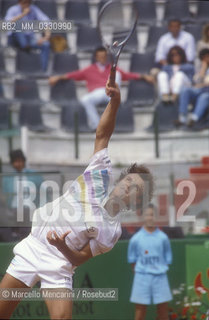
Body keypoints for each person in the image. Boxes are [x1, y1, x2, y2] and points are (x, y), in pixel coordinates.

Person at [0, 80, 154, 320]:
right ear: (121, 180)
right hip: (33, 247)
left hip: (59, 263)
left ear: (137, 201)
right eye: (129, 181)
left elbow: (81, 258)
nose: (128, 187)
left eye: (136, 189)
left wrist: (62, 246)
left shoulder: (111, 231)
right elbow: (102, 135)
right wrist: (115, 101)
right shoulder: (100, 176)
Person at [49, 46, 154, 130]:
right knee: (85, 100)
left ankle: (113, 95)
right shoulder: (89, 69)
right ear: (96, 57)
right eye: (100, 56)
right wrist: (58, 77)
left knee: (116, 73)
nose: (102, 58)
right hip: (97, 93)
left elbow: (127, 75)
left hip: (111, 91)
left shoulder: (113, 68)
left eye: (104, 56)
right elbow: (73, 75)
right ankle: (98, 126)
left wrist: (144, 76)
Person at [127, 204, 172, 320]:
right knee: (140, 312)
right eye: (147, 215)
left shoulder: (163, 238)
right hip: (142, 278)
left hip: (160, 277)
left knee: (163, 312)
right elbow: (132, 261)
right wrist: (142, 272)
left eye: (152, 215)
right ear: (142, 217)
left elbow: (167, 259)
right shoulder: (135, 239)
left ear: (156, 217)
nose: (150, 218)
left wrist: (158, 269)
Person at [1, 149, 43, 240]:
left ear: (24, 161)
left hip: (28, 208)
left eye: (20, 161)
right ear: (12, 163)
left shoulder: (34, 175)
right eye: (15, 162)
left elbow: (43, 191)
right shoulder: (8, 177)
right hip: (13, 209)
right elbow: (5, 194)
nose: (18, 164)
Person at [5, 0, 51, 71]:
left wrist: (46, 37)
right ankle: (25, 46)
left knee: (46, 44)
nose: (27, 5)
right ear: (19, 2)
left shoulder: (33, 9)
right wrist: (23, 14)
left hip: (29, 39)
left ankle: (42, 71)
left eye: (28, 3)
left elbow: (46, 21)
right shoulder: (13, 9)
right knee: (18, 25)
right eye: (24, 3)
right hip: (14, 39)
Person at [174, 48, 209, 128]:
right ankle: (182, 118)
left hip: (207, 93)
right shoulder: (198, 68)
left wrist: (201, 85)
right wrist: (203, 68)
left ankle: (194, 119)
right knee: (185, 90)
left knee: (204, 97)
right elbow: (196, 81)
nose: (206, 59)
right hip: (198, 91)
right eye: (204, 57)